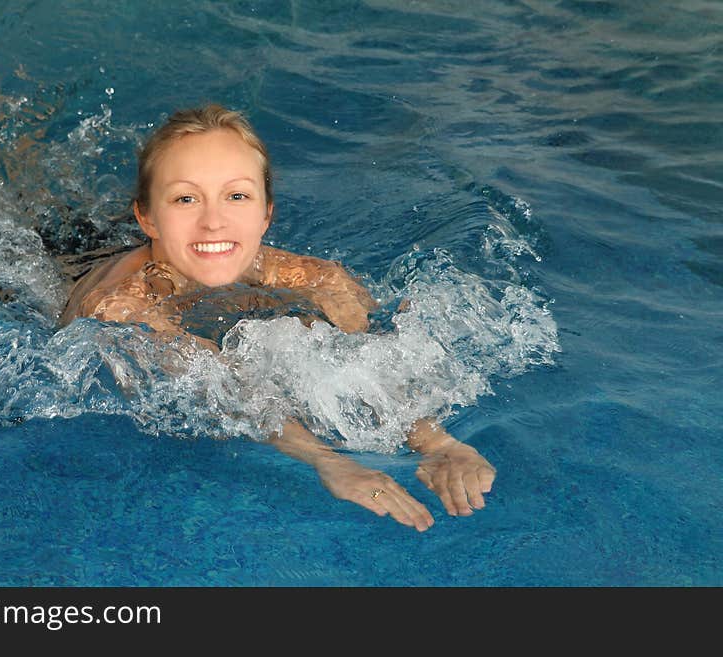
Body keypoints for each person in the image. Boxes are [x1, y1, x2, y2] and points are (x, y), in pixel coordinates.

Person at [60, 104, 496, 532]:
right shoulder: (119, 308)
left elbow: (370, 360)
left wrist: (437, 443)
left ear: (266, 213)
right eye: (186, 198)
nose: (214, 222)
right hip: (63, 263)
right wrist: (327, 459)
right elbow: (226, 389)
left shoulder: (315, 277)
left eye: (236, 196)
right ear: (148, 218)